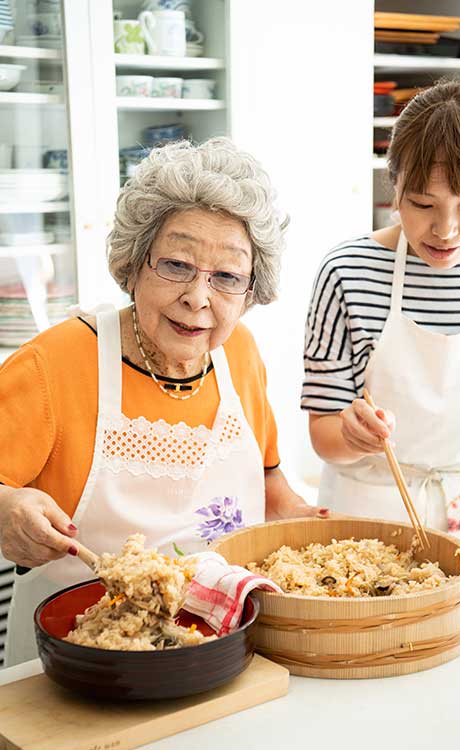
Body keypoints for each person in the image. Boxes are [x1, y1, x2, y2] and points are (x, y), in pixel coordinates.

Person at [0, 137, 327, 666]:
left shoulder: (239, 352)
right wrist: (5, 509)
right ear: (132, 265)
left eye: (226, 277)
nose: (199, 297)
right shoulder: (52, 364)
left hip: (220, 644)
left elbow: (266, 481)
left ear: (250, 292)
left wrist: (307, 522)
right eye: (177, 265)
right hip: (77, 654)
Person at [302, 81, 460, 533]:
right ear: (393, 185)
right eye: (422, 203)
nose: (446, 230)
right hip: (367, 511)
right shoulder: (348, 272)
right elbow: (324, 433)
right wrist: (352, 436)